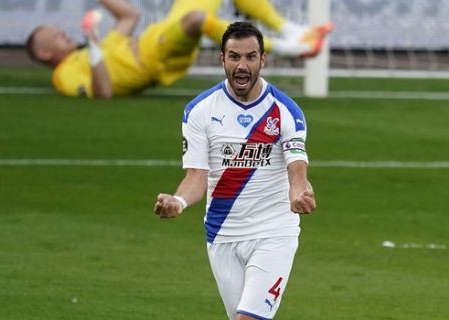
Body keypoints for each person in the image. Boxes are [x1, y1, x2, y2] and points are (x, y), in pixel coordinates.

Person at [154, 21, 316, 320]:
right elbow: (196, 177)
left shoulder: (284, 110)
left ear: (262, 60)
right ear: (222, 59)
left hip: (273, 231)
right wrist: (178, 202)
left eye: (251, 57)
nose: (242, 66)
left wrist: (298, 192)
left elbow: (297, 166)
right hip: (222, 234)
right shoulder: (200, 110)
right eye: (234, 57)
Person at [26, 0, 332, 99]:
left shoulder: (100, 47)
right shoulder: (64, 75)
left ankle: (292, 31)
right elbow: (103, 92)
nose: (61, 33)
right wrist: (93, 42)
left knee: (196, 15)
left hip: (153, 37)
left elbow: (129, 16)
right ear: (44, 54)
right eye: (53, 35)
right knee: (197, 19)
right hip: (154, 57)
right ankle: (286, 48)